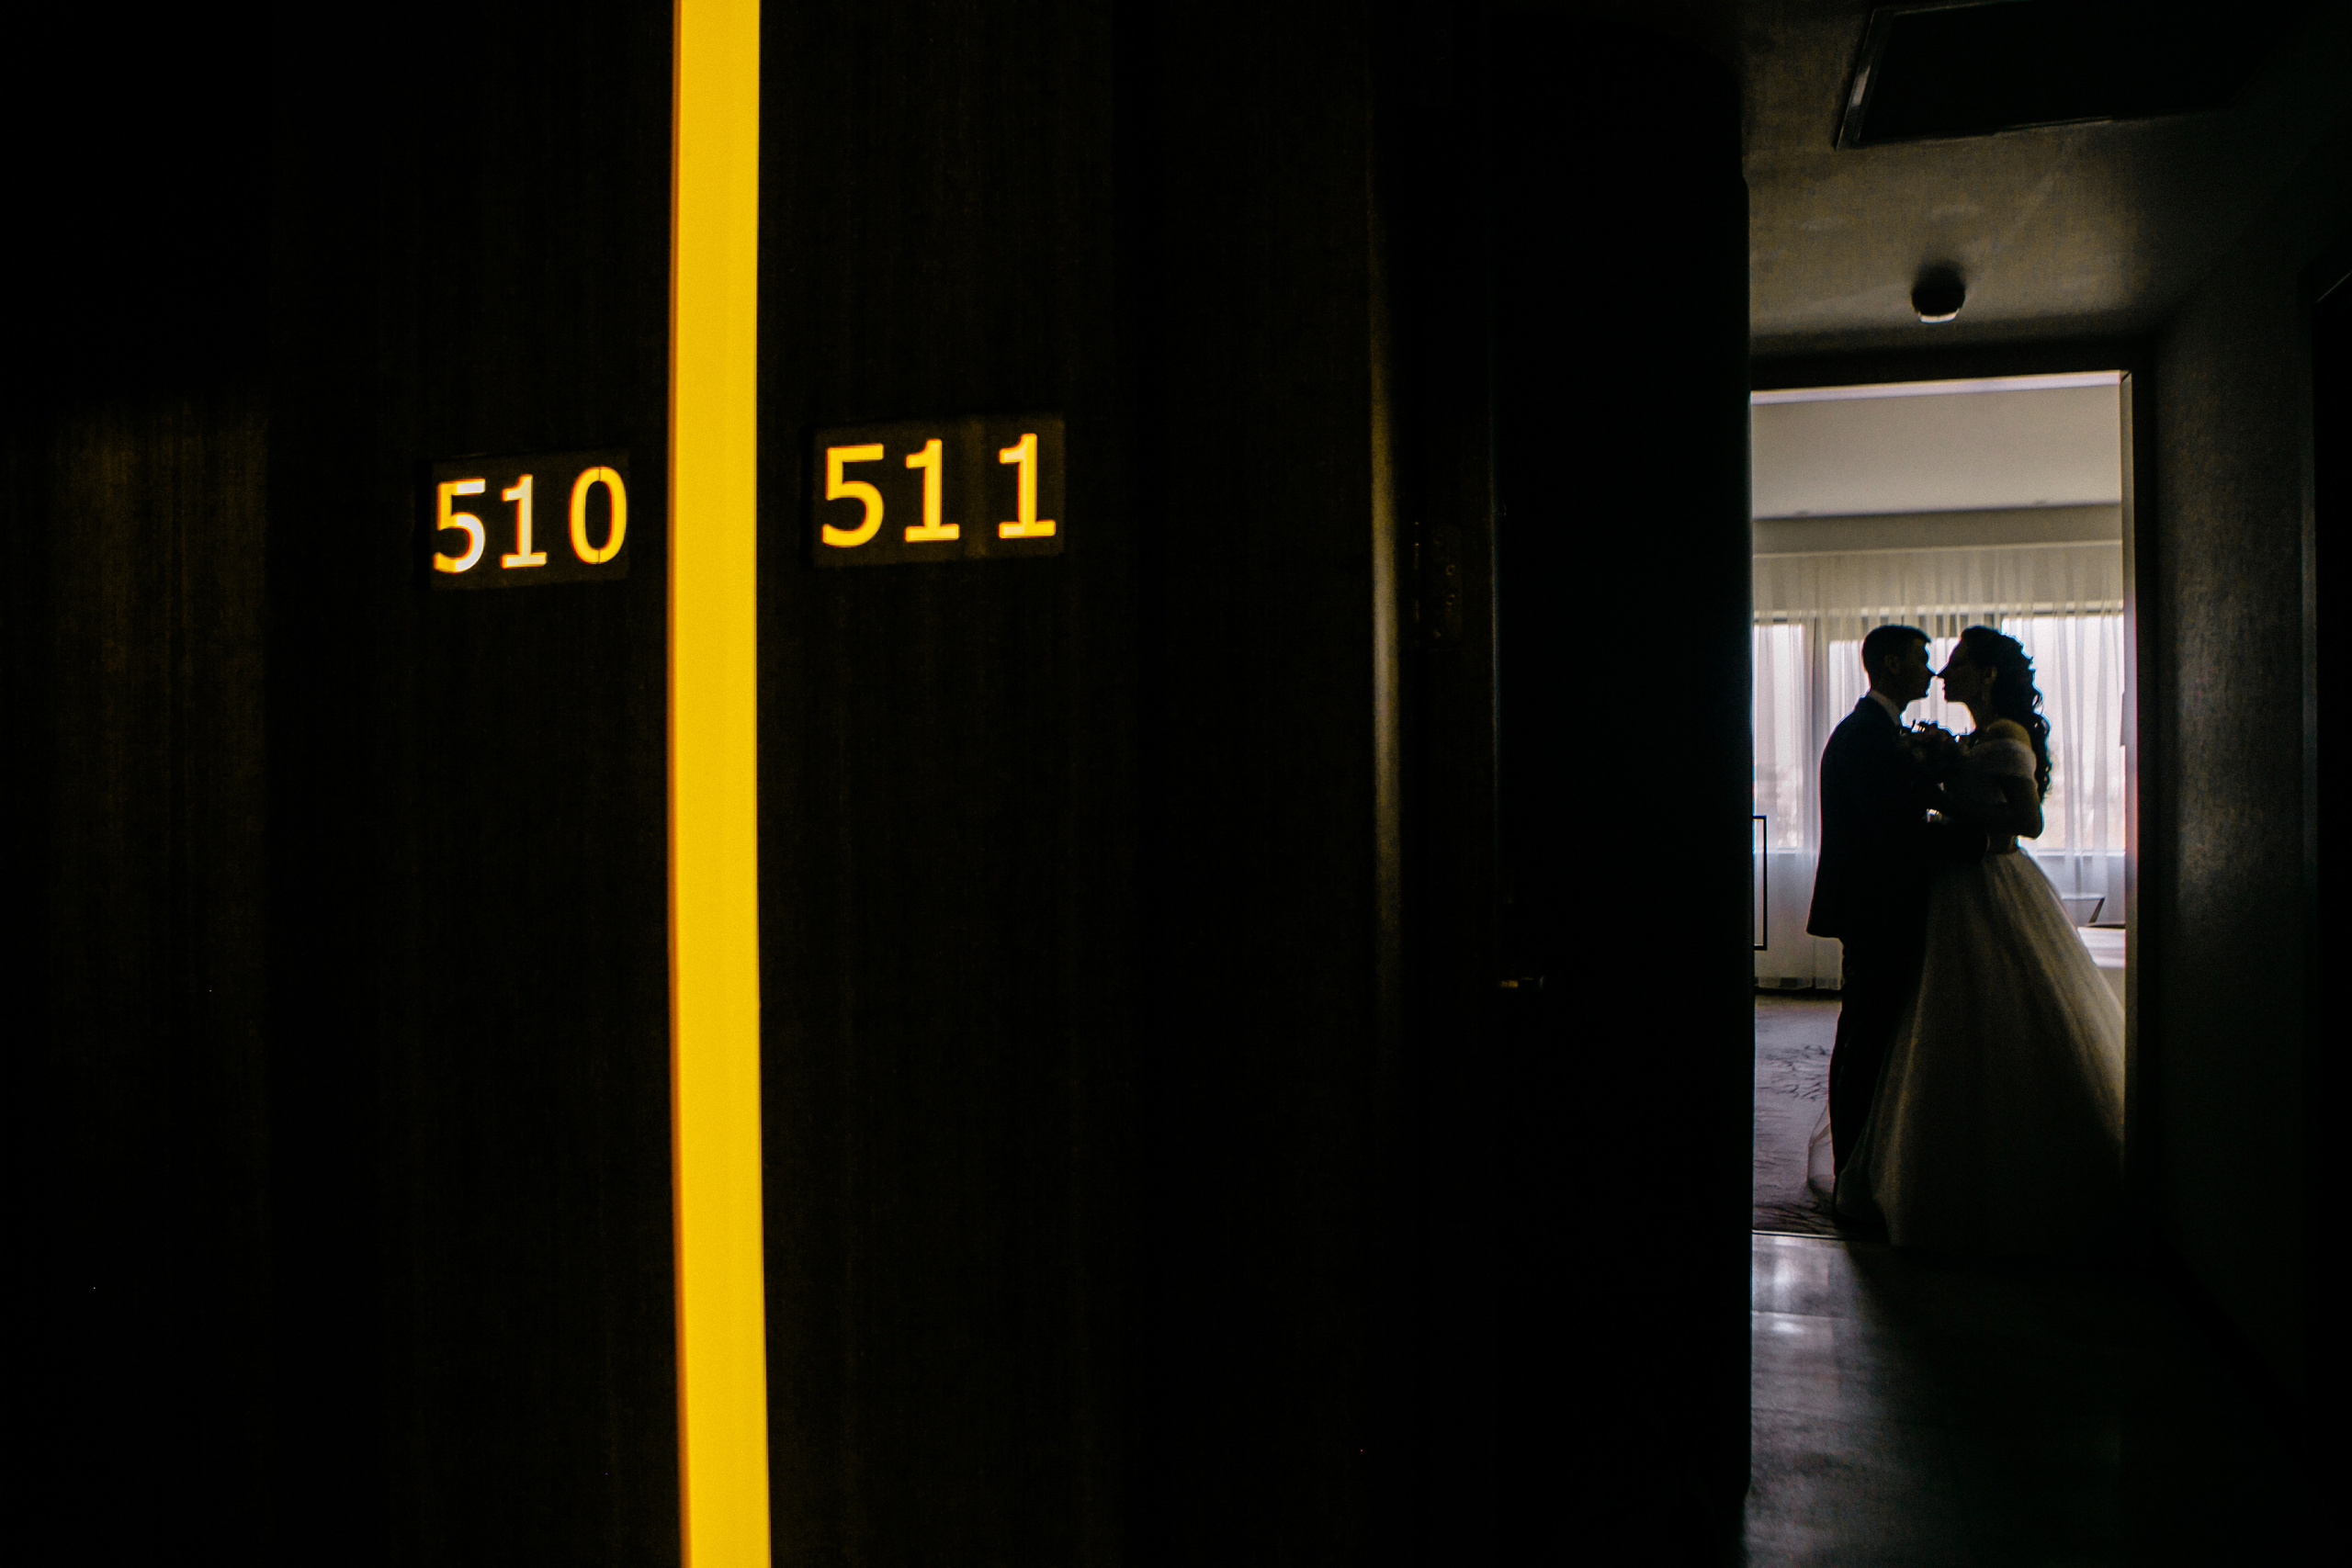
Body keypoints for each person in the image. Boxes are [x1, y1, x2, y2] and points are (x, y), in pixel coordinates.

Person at [1835, 626, 2128, 1258]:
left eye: (1956, 662)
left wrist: (1947, 796)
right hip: (1947, 889)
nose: (1942, 673)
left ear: (1988, 674)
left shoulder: (2006, 737)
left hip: (1990, 882)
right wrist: (1943, 783)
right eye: (1932, 662)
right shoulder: (1937, 737)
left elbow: (2028, 821)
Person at [1806, 624, 1952, 1177]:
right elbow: (1891, 831)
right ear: (1891, 664)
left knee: (1870, 1029)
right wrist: (1973, 838)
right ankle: (1852, 1166)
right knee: (1865, 1036)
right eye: (1921, 657)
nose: (1930, 670)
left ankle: (1865, 1156)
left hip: (1879, 905)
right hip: (1876, 908)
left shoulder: (1878, 730)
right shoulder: (1867, 735)